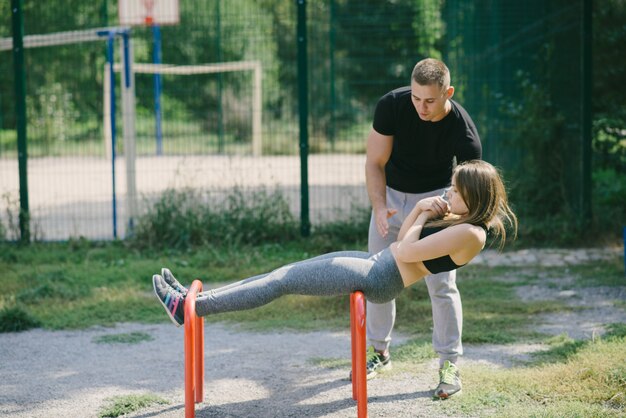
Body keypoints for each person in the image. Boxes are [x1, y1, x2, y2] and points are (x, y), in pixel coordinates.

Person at [153, 162, 517, 397]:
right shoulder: (460, 221)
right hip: (377, 263)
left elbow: (405, 252)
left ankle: (192, 311)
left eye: (455, 191)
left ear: (473, 197)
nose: (447, 194)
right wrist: (421, 210)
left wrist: (421, 213)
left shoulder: (471, 234)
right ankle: (192, 300)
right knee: (281, 274)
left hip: (379, 277)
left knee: (282, 281)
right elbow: (402, 239)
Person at [363, 58, 481, 398]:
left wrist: (451, 220)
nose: (421, 107)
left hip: (439, 202)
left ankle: (449, 365)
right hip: (392, 197)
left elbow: (471, 193)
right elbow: (374, 162)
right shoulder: (392, 105)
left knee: (442, 284)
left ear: (448, 93)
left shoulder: (464, 133)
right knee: (375, 279)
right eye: (416, 98)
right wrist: (379, 206)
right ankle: (379, 353)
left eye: (429, 100)